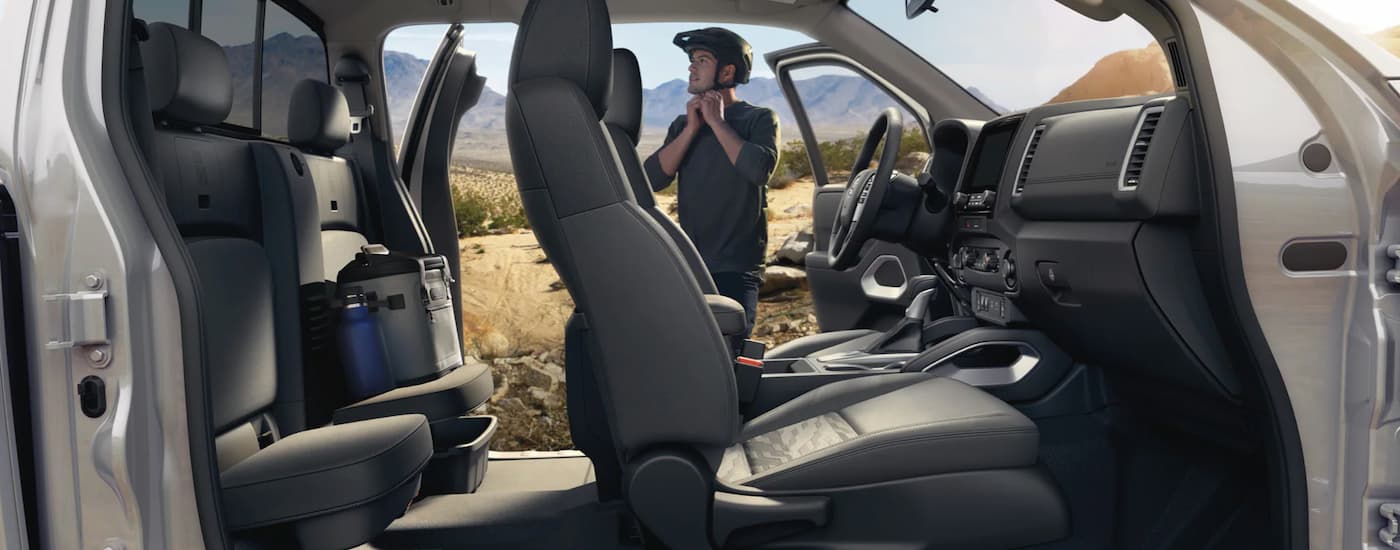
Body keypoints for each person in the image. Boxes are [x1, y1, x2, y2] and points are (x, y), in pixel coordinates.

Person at [644, 27, 780, 337]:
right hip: (690, 264)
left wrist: (717, 122)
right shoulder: (682, 123)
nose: (691, 67)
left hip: (738, 267)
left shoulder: (758, 119)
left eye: (702, 60)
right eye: (691, 60)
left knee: (731, 355)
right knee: (691, 352)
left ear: (728, 70)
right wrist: (692, 129)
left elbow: (758, 170)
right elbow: (653, 179)